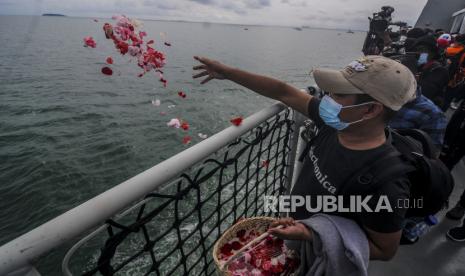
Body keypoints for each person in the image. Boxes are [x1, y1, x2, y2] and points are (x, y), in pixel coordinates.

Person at [193, 55, 416, 260]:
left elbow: (384, 250)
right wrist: (227, 72)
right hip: (298, 232)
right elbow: (283, 92)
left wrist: (313, 235)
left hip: (324, 257)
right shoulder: (338, 123)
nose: (327, 98)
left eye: (338, 94)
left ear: (369, 110)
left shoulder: (386, 183)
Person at [409, 35, 449, 107]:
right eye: (416, 50)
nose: (418, 53)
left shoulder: (439, 71)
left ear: (433, 52)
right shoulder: (418, 65)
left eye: (422, 50)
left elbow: (425, 93)